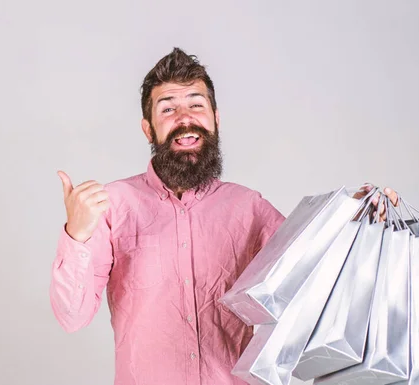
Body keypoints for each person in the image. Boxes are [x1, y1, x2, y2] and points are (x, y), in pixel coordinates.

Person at [50, 48, 398, 385]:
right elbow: (71, 317)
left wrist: (356, 221)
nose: (184, 119)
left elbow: (310, 279)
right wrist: (77, 235)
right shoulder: (111, 205)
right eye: (168, 108)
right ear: (148, 129)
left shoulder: (249, 208)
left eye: (196, 105)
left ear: (216, 118)